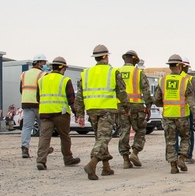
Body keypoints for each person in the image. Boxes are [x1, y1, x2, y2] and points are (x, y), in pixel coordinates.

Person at [74, 44, 128, 180]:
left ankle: (106, 167)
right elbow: (121, 93)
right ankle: (92, 163)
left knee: (100, 138)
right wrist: (126, 107)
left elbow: (79, 96)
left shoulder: (86, 73)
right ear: (105, 57)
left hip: (92, 110)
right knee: (104, 138)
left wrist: (79, 114)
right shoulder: (113, 72)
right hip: (107, 110)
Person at [35, 56, 82, 170]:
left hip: (45, 113)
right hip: (61, 114)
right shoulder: (65, 80)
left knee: (44, 137)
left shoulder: (42, 80)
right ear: (62, 68)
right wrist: (77, 113)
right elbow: (71, 100)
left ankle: (41, 161)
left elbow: (38, 98)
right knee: (65, 136)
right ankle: (68, 159)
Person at [155, 54, 195, 174]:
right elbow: (191, 100)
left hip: (168, 115)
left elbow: (157, 99)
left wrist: (165, 105)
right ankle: (182, 158)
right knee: (185, 138)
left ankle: (173, 166)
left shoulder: (162, 81)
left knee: (170, 140)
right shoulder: (184, 81)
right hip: (182, 116)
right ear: (180, 67)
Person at [116, 49, 153, 168]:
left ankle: (126, 160)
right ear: (135, 60)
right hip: (136, 106)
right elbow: (146, 91)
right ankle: (135, 152)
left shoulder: (117, 72)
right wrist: (148, 107)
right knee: (141, 130)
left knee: (123, 132)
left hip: (121, 106)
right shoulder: (138, 72)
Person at [19, 54, 47, 158]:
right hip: (39, 104)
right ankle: (44, 149)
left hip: (26, 103)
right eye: (43, 63)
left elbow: (21, 89)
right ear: (39, 63)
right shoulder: (43, 74)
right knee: (43, 128)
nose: (45, 65)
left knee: (27, 127)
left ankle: (25, 149)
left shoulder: (24, 74)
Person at [174, 56, 195, 164]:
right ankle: (187, 155)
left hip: (170, 111)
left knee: (172, 134)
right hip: (185, 111)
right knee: (188, 134)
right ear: (184, 66)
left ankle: (173, 156)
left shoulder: (166, 79)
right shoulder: (188, 79)